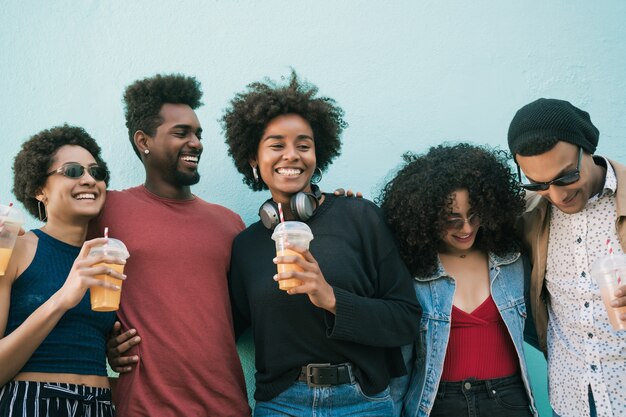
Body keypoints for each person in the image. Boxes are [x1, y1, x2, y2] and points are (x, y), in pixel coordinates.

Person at [221, 71, 421, 416]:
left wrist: (331, 299)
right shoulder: (246, 245)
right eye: (276, 145)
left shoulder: (360, 217)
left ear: (318, 153)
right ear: (254, 159)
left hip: (363, 402)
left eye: (303, 144)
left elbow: (405, 320)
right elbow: (225, 329)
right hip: (281, 404)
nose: (291, 155)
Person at [90, 74, 250, 416]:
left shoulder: (229, 223)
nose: (196, 143)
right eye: (181, 133)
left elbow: (245, 314)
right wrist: (102, 343)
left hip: (227, 406)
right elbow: (60, 277)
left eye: (198, 134)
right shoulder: (105, 211)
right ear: (143, 140)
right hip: (144, 407)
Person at [379, 144, 538, 417]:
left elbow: (547, 332)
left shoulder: (511, 262)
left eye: (474, 216)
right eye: (452, 220)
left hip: (509, 401)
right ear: (426, 218)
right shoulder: (413, 273)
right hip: (437, 403)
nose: (466, 228)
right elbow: (400, 363)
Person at [508, 98, 626, 417]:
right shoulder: (527, 214)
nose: (557, 195)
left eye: (566, 177)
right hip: (570, 397)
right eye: (539, 183)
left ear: (586, 146)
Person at [0, 125, 125, 416]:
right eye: (72, 171)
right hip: (34, 402)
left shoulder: (107, 258)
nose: (88, 180)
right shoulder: (12, 247)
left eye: (96, 172)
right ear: (38, 189)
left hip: (100, 405)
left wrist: (116, 351)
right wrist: (62, 299)